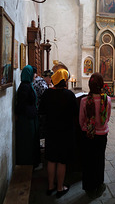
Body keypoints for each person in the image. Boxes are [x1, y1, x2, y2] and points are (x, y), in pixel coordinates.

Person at [38, 68, 78, 198]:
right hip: (65, 132)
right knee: (61, 160)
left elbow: (42, 111)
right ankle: (60, 188)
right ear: (64, 81)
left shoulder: (47, 94)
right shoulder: (69, 95)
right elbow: (75, 114)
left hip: (51, 131)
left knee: (51, 159)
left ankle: (50, 187)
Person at [79, 72, 111, 199]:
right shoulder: (107, 100)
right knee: (99, 159)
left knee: (88, 160)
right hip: (102, 134)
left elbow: (81, 120)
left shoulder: (84, 101)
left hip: (88, 135)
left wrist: (86, 128)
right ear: (102, 85)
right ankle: (99, 184)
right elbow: (107, 118)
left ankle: (88, 186)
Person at [15, 65, 41, 168]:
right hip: (26, 119)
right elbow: (22, 103)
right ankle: (28, 164)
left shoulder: (28, 85)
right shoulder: (25, 87)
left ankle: (33, 163)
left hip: (30, 117)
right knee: (28, 143)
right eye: (34, 73)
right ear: (29, 74)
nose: (35, 75)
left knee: (32, 141)